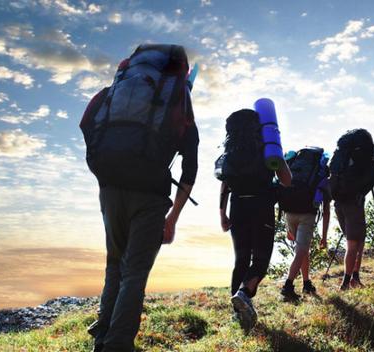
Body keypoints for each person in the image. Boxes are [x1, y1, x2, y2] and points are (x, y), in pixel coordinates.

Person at [82, 44, 199, 352]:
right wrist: (172, 217)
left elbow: (88, 120)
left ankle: (103, 338)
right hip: (149, 194)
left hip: (109, 186)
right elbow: (191, 162)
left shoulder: (120, 86)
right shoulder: (178, 97)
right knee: (134, 272)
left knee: (114, 265)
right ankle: (118, 344)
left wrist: (104, 168)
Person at [218, 109, 292, 333]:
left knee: (241, 260)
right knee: (260, 259)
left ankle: (237, 314)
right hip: (261, 206)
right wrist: (277, 157)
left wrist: (222, 213)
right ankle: (244, 294)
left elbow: (225, 184)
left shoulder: (229, 152)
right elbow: (287, 181)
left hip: (237, 206)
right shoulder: (267, 149)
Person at [336, 148, 374, 290]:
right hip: (354, 207)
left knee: (360, 241)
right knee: (353, 245)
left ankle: (355, 278)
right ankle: (346, 283)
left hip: (339, 204)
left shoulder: (352, 165)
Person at [278, 148, 331, 300]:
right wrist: (324, 237)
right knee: (301, 250)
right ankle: (288, 286)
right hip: (306, 215)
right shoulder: (321, 176)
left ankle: (306, 283)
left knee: (302, 250)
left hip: (289, 212)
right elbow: (326, 211)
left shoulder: (295, 168)